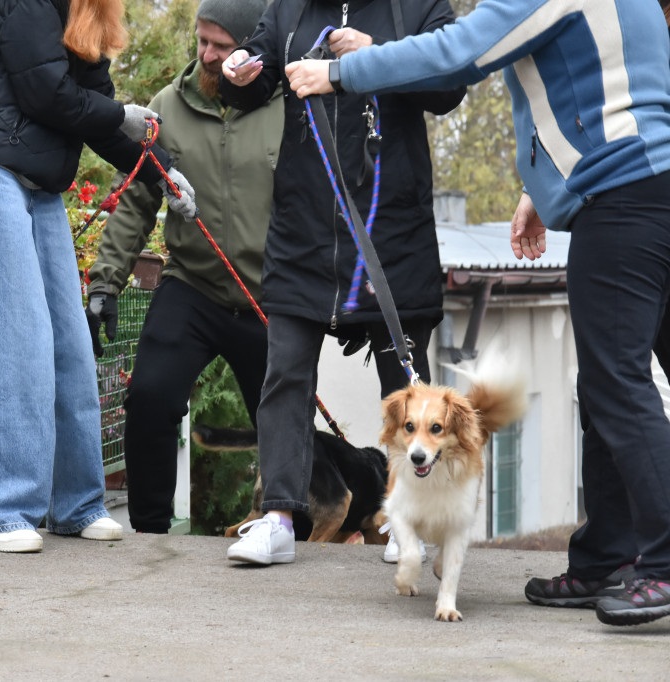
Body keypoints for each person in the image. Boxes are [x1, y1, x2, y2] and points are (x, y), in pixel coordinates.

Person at [276, 0, 670, 626]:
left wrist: (342, 74)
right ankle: (604, 559)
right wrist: (539, 192)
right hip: (647, 186)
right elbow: (612, 92)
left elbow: (461, 51)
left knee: (616, 384)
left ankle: (660, 564)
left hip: (622, 200)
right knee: (603, 389)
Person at [0, 0, 197, 553]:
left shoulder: (85, 14)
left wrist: (163, 171)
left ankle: (75, 502)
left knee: (70, 344)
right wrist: (119, 115)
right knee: (18, 341)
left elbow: (97, 111)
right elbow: (49, 95)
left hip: (42, 182)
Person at [217, 0, 464, 565]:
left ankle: (409, 518)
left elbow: (451, 82)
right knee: (284, 374)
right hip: (303, 230)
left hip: (388, 232)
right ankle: (279, 517)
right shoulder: (289, 9)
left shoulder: (418, 8)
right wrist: (241, 70)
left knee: (403, 388)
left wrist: (379, 58)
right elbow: (255, 68)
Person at [84, 0, 281, 535]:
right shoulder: (166, 109)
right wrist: (105, 283)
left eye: (222, 46)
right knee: (149, 397)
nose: (209, 55)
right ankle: (149, 530)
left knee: (282, 422)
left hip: (267, 298)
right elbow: (136, 203)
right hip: (192, 286)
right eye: (203, 42)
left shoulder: (288, 109)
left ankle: (291, 528)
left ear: (249, 47)